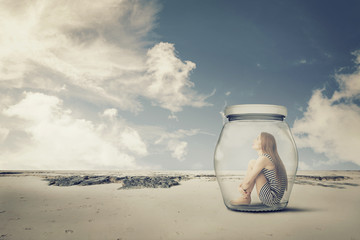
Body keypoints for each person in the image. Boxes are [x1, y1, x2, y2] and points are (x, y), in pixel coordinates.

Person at [230, 132, 288, 206]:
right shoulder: (270, 157)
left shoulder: (264, 158)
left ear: (264, 143)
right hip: (276, 199)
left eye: (257, 139)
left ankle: (245, 198)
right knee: (253, 163)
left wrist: (242, 188)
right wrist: (244, 185)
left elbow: (248, 182)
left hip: (270, 198)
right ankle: (245, 198)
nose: (254, 140)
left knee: (252, 163)